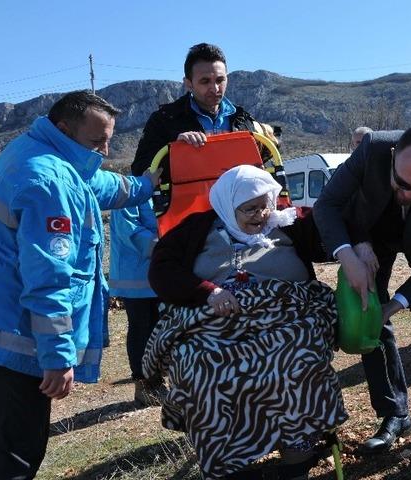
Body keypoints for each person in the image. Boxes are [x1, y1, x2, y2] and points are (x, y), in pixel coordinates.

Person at [0, 91, 161, 479]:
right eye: (97, 141)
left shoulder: (41, 151)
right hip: (11, 339)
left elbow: (98, 183)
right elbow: (48, 279)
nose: (105, 149)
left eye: (109, 139)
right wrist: (57, 355)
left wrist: (145, 185)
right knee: (18, 457)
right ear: (65, 128)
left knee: (13, 446)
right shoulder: (48, 182)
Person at [144, 165, 347, 479]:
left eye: (265, 204)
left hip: (286, 315)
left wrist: (353, 247)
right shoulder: (195, 229)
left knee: (298, 358)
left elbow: (332, 225)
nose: (261, 214)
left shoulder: (287, 221)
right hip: (214, 319)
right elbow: (161, 270)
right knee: (199, 367)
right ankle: (229, 463)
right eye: (250, 209)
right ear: (227, 206)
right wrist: (207, 292)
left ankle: (298, 455)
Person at [313, 126, 411, 453]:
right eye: (403, 184)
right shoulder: (371, 149)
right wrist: (351, 253)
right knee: (367, 308)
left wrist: (394, 305)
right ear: (394, 156)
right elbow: (327, 205)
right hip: (370, 232)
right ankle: (394, 414)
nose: (409, 194)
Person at [130, 42, 260, 176]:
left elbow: (260, 163)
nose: (215, 88)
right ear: (188, 84)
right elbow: (139, 169)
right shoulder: (164, 120)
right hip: (186, 197)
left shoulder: (242, 118)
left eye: (220, 80)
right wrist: (176, 150)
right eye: (205, 81)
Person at [108, 201, 164, 406]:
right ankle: (144, 385)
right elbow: (130, 231)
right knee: (141, 328)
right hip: (135, 277)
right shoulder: (128, 195)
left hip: (158, 274)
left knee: (157, 327)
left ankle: (156, 381)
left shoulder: (155, 192)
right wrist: (163, 244)